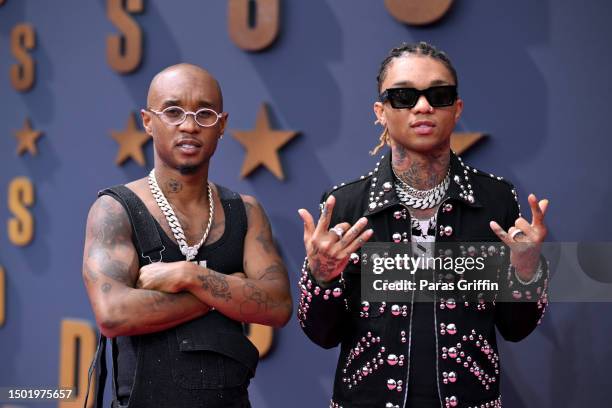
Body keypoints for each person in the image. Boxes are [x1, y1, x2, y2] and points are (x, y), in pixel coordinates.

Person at [297, 42, 549, 408]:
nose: (422, 106)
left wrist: (527, 273)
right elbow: (322, 334)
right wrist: (322, 276)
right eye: (403, 96)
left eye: (439, 94)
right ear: (380, 112)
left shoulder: (496, 201)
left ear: (457, 108)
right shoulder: (346, 205)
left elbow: (516, 329)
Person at [82, 63, 292, 408]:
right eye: (173, 111)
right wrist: (225, 292)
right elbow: (114, 314)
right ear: (148, 121)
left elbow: (278, 306)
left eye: (205, 113)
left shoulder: (246, 211)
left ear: (222, 125)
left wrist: (189, 275)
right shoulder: (116, 209)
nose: (190, 125)